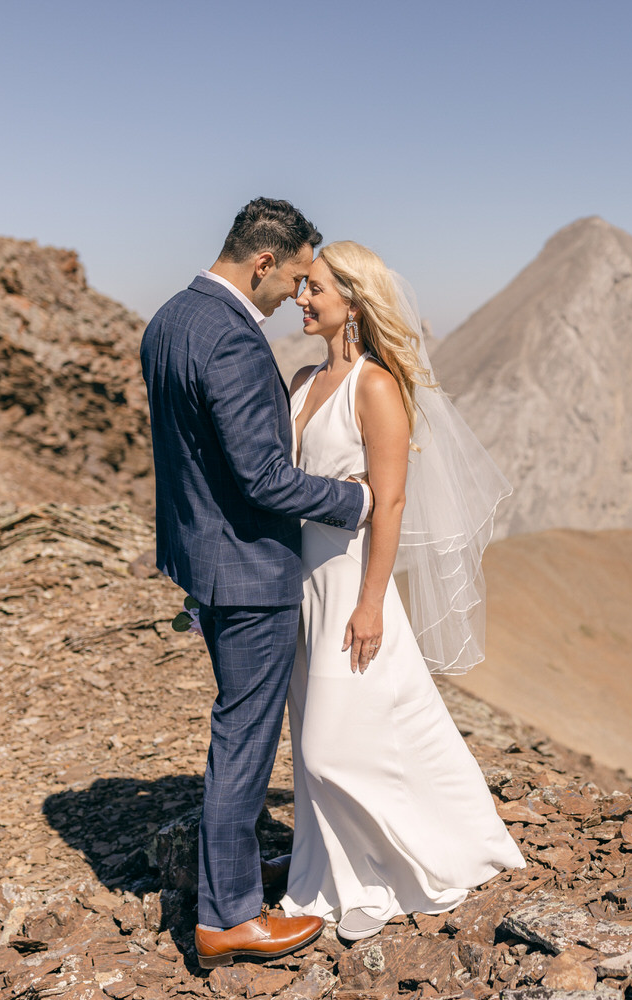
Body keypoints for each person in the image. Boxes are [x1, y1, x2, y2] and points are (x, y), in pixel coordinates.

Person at [139, 199, 372, 967]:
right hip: (249, 575)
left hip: (202, 561)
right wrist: (356, 499)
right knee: (242, 741)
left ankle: (234, 877)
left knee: (237, 733)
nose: (295, 298)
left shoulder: (170, 319)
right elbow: (264, 479)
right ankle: (229, 919)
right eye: (296, 277)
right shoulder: (234, 342)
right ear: (264, 263)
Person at [281, 241, 523, 941]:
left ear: (352, 302)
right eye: (301, 287)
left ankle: (406, 867)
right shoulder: (300, 381)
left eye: (316, 289)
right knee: (324, 741)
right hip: (303, 585)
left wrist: (369, 602)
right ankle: (335, 873)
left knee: (332, 747)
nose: (302, 299)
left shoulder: (375, 387)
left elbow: (389, 504)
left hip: (354, 584)